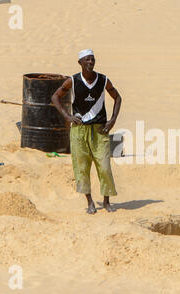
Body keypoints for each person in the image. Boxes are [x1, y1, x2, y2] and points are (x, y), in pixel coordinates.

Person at [52, 49, 121, 214]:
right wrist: (67, 116)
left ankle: (106, 200)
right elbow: (55, 97)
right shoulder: (73, 81)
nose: (90, 62)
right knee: (82, 166)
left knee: (104, 166)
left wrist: (112, 120)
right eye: (87, 60)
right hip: (79, 130)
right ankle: (90, 201)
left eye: (92, 59)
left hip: (100, 129)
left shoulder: (103, 80)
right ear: (80, 63)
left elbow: (117, 97)